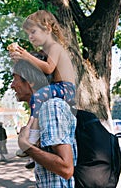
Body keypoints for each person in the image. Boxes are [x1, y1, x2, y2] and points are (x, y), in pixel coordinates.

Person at [8, 10, 76, 167]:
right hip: (59, 87)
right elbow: (36, 66)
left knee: (37, 97)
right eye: (28, 33)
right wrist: (20, 57)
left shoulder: (55, 47)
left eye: (33, 31)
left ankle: (32, 137)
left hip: (66, 88)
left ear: (47, 29)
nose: (30, 37)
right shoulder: (45, 50)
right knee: (39, 99)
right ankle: (36, 144)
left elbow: (48, 68)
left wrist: (25, 55)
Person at [11, 59, 77, 187]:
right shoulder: (42, 109)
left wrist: (26, 146)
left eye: (15, 79)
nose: (12, 85)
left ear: (30, 81)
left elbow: (66, 169)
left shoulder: (50, 107)